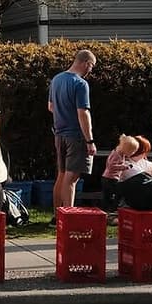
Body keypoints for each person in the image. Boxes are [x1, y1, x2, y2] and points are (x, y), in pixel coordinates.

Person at [48, 49, 96, 220]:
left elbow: (51, 107)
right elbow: (83, 113)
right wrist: (89, 140)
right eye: (92, 67)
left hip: (59, 134)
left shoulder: (56, 80)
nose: (90, 71)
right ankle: (69, 218)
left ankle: (56, 216)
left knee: (61, 175)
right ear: (86, 63)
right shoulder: (80, 84)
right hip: (75, 135)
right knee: (72, 178)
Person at [102, 134, 139, 214]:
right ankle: (111, 210)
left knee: (115, 194)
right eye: (132, 152)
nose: (132, 154)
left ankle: (111, 209)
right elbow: (111, 166)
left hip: (113, 178)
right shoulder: (116, 155)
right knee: (116, 194)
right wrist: (124, 167)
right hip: (109, 178)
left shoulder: (121, 154)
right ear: (127, 149)